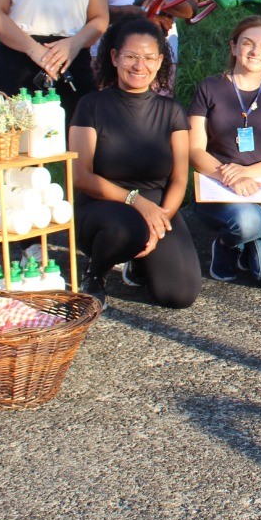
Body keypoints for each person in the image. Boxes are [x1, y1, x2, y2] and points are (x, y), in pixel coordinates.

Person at [69, 17, 203, 308]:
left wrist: (161, 220)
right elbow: (82, 177)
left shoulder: (172, 111)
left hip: (157, 207)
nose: (140, 66)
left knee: (179, 295)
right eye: (130, 56)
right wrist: (136, 202)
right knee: (127, 229)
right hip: (102, 205)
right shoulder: (90, 106)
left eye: (149, 58)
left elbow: (180, 178)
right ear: (114, 57)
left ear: (160, 61)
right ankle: (95, 274)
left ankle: (139, 261)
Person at [188, 15, 261, 291]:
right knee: (247, 221)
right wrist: (232, 177)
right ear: (234, 47)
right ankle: (228, 244)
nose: (255, 51)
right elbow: (194, 149)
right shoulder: (209, 87)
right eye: (248, 43)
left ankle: (249, 242)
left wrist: (247, 173)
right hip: (219, 188)